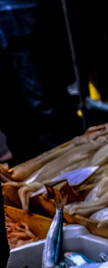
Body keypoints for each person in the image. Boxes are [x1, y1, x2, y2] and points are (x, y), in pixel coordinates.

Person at [0, 0, 79, 163]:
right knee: (12, 117)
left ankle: (70, 169)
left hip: (18, 13)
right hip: (15, 15)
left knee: (47, 109)